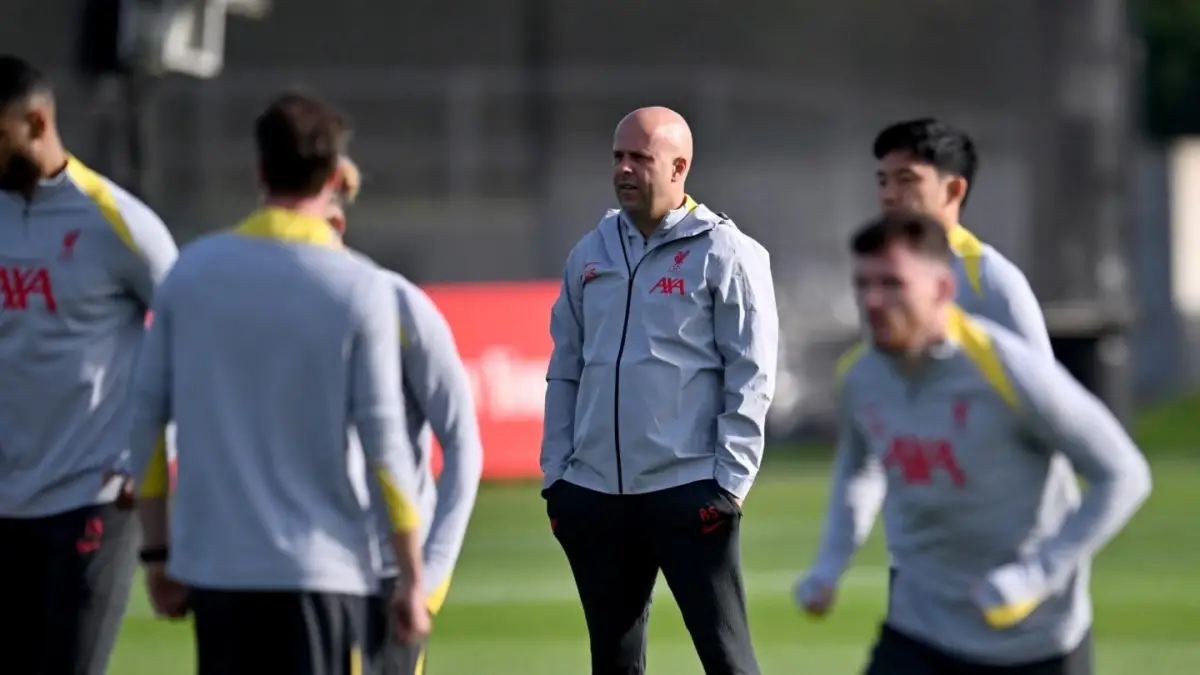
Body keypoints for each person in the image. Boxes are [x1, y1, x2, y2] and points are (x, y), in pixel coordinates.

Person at [124, 92, 429, 675]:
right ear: (338, 178)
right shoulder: (358, 287)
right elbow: (385, 444)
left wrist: (157, 553)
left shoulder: (191, 274)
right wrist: (413, 577)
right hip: (325, 572)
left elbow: (144, 425)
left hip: (218, 572)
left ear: (260, 172)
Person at [794, 211, 1152, 675]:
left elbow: (1124, 473)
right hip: (918, 629)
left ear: (943, 290)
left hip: (1028, 641)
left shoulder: (1007, 369)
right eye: (862, 284)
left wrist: (1037, 575)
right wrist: (829, 566)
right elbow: (858, 468)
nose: (873, 301)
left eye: (892, 284)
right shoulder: (863, 377)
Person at [540, 106, 779, 675]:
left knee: (728, 662)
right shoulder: (590, 252)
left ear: (679, 167)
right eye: (618, 157)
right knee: (614, 664)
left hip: (689, 490)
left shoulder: (726, 251)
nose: (624, 169)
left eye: (639, 158)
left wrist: (731, 485)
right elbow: (565, 369)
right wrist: (558, 478)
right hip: (595, 494)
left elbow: (753, 373)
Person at [0, 54, 178, 675]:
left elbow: (191, 334)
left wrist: (160, 449)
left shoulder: (117, 223)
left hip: (91, 496)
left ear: (37, 122)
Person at [328, 157, 484, 675]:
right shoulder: (263, 307)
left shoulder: (401, 308)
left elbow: (463, 445)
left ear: (335, 222)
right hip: (287, 573)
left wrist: (430, 577)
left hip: (381, 580)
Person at [873, 118, 1052, 355]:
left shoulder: (988, 278)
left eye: (905, 180)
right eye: (883, 182)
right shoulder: (880, 272)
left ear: (953, 190)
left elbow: (1039, 381)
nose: (888, 195)